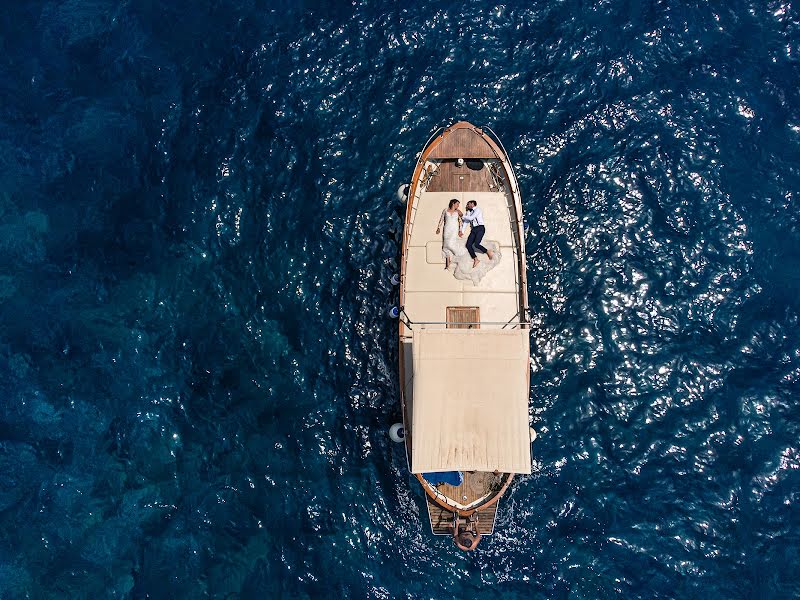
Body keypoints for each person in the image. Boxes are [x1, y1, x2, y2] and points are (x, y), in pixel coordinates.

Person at [459, 200, 495, 268]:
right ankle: (476, 259)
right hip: (474, 229)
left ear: (473, 204)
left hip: (480, 228)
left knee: (476, 244)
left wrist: (462, 215)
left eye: (468, 204)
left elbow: (471, 218)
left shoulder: (478, 210)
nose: (467, 205)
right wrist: (462, 231)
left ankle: (487, 251)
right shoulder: (468, 212)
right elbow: (466, 221)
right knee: (468, 245)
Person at [435, 199, 465, 270]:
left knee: (451, 244)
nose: (458, 206)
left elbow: (461, 221)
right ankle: (447, 264)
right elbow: (442, 219)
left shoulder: (457, 211)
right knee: (445, 244)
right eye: (457, 204)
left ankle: (457, 256)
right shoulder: (445, 210)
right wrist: (438, 227)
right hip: (447, 229)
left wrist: (460, 230)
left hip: (454, 230)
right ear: (453, 203)